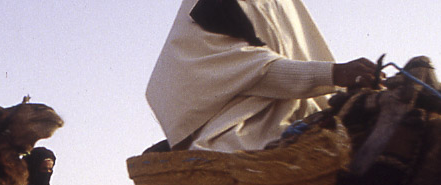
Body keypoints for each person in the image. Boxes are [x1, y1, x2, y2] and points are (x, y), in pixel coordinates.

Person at [146, 0, 378, 152]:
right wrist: (334, 73)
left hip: (307, 115)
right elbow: (255, 69)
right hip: (247, 133)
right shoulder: (210, 6)